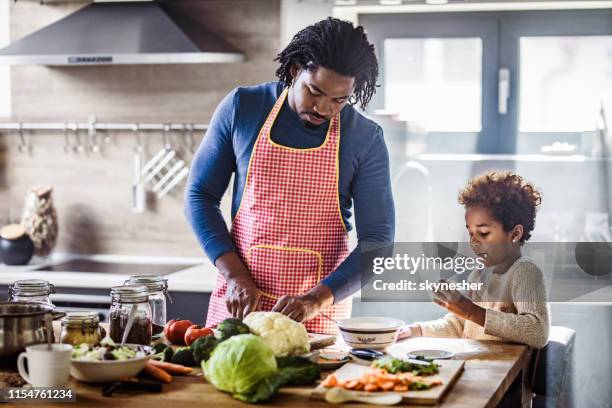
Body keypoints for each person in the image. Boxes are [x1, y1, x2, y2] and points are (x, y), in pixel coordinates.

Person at [185, 17, 394, 334]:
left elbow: (378, 243)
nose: (323, 108)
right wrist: (235, 277)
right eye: (315, 91)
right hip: (239, 307)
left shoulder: (365, 137)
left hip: (315, 319)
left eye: (339, 100)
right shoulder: (243, 108)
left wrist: (314, 300)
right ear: (296, 69)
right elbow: (199, 196)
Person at [401, 171, 550, 349]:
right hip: (478, 369)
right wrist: (416, 330)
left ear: (515, 233)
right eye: (471, 233)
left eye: (484, 233)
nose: (473, 241)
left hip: (503, 374)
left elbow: (538, 330)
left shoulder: (525, 272)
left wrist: (472, 311)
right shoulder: (478, 275)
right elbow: (460, 325)